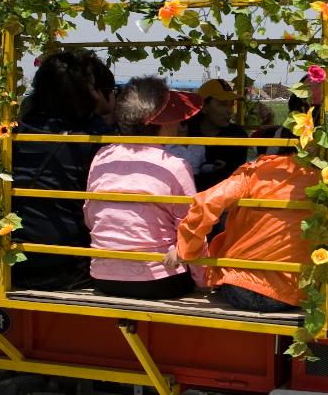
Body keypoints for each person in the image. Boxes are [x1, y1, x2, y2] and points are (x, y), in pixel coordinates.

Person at [172, 127, 328, 311]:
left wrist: (187, 252)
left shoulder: (252, 173)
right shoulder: (326, 182)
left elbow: (205, 204)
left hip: (237, 288)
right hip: (290, 295)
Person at [84, 78, 201, 299]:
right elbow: (192, 227)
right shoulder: (174, 165)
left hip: (103, 277)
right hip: (160, 280)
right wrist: (203, 280)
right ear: (163, 123)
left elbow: (90, 216)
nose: (178, 122)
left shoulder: (102, 157)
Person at [10, 50, 112, 291]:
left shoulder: (15, 130)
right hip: (66, 264)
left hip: (10, 260)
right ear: (91, 92)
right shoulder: (94, 139)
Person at [183, 78, 248, 190]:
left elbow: (230, 179)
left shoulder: (237, 136)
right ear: (204, 106)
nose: (230, 111)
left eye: (231, 105)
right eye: (223, 104)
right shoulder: (184, 130)